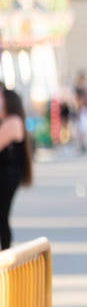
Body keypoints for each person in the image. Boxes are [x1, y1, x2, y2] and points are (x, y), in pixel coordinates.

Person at [0, 89, 32, 249]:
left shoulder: (13, 121)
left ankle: (5, 255)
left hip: (8, 175)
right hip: (7, 174)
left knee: (2, 216)